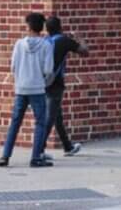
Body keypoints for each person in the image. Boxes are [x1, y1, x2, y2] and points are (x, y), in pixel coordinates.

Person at [0, 12, 55, 168]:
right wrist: (44, 82)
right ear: (41, 27)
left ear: (28, 26)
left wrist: (19, 79)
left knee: (15, 122)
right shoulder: (46, 45)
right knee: (40, 123)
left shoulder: (19, 44)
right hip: (38, 87)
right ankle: (36, 157)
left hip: (21, 87)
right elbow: (49, 70)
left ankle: (5, 156)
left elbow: (13, 66)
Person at [44, 15, 88, 155]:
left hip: (43, 82)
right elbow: (84, 51)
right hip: (56, 83)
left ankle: (67, 146)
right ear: (60, 27)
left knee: (57, 116)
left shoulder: (45, 41)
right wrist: (79, 37)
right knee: (50, 118)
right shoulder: (64, 41)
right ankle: (39, 149)